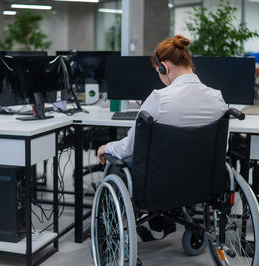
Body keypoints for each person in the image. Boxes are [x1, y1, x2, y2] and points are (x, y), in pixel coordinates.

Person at [96, 35, 228, 241]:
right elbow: (223, 148)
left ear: (164, 67)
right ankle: (158, 227)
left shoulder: (159, 98)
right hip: (203, 184)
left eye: (158, 71)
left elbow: (128, 148)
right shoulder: (217, 98)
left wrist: (106, 147)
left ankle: (113, 236)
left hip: (157, 186)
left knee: (116, 166)